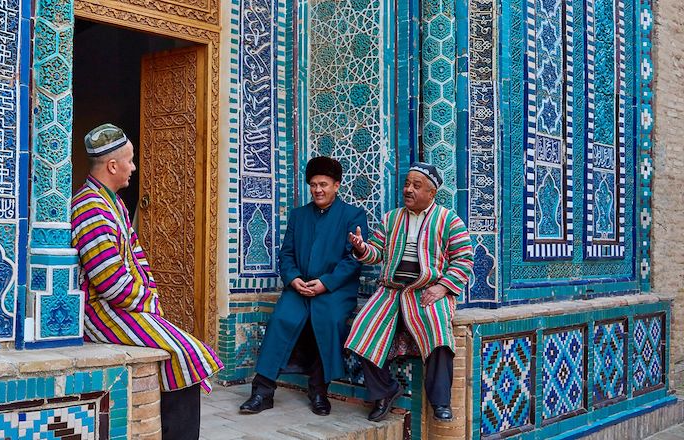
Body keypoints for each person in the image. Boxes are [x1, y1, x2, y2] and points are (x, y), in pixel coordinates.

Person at [70, 123, 223, 440]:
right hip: (99, 313)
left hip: (122, 306)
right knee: (185, 352)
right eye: (130, 160)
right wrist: (147, 301)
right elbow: (110, 284)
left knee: (185, 351)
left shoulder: (114, 204)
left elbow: (138, 258)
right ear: (113, 165)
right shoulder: (89, 209)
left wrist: (149, 297)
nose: (134, 168)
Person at [345, 162, 473, 422]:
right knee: (363, 329)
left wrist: (442, 287)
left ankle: (440, 401)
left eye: (416, 186)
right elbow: (376, 253)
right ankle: (385, 391)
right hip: (392, 291)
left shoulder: (449, 220)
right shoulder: (391, 218)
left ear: (432, 193)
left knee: (438, 332)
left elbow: (464, 259)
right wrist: (360, 248)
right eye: (407, 184)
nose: (408, 190)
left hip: (428, 291)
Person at [239, 156, 368, 416]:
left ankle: (319, 390)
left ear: (336, 185)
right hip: (299, 287)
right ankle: (262, 391)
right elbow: (286, 254)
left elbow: (352, 260)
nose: (318, 190)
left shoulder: (353, 215)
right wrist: (293, 278)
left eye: (323, 184)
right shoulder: (299, 216)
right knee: (282, 318)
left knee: (328, 320)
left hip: (334, 291)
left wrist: (325, 283)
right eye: (313, 185)